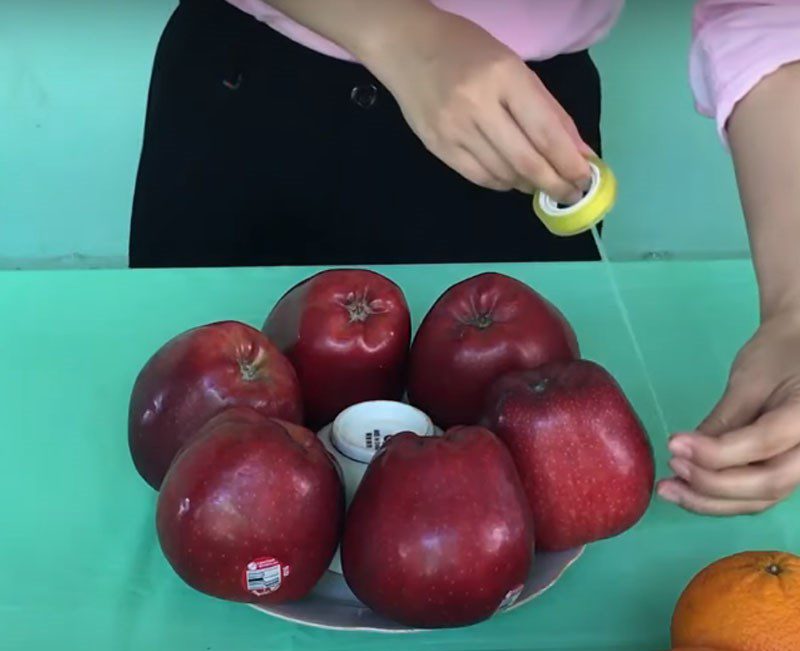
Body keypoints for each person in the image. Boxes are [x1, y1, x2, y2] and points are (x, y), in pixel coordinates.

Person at [130, 0, 800, 518]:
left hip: (517, 138)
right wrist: (399, 33)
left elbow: (773, 19)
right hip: (249, 110)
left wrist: (794, 310)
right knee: (208, 500)